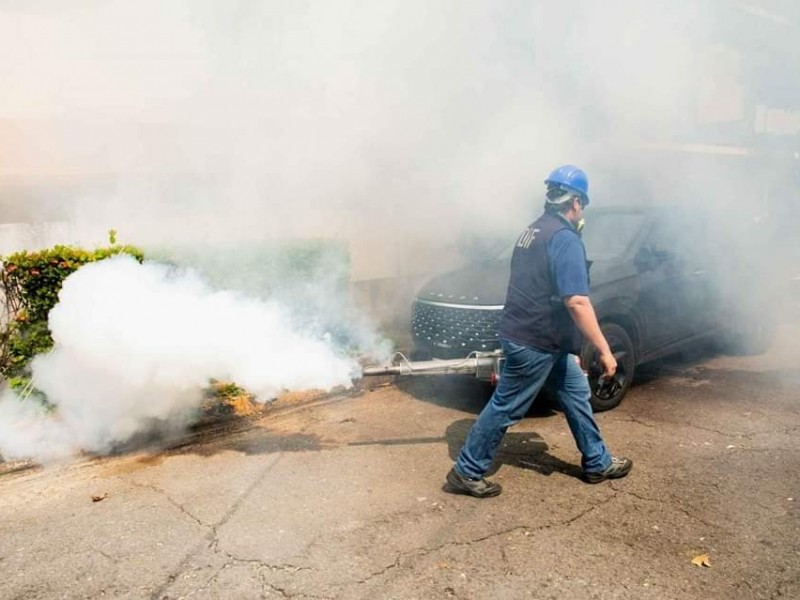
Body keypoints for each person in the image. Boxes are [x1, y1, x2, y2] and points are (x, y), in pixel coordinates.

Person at [444, 165, 632, 497]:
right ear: (574, 202)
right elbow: (577, 302)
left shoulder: (532, 231)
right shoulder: (565, 239)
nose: (582, 211)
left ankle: (597, 462)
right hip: (535, 341)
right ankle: (466, 470)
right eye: (582, 204)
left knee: (575, 394)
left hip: (540, 338)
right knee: (506, 407)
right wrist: (603, 349)